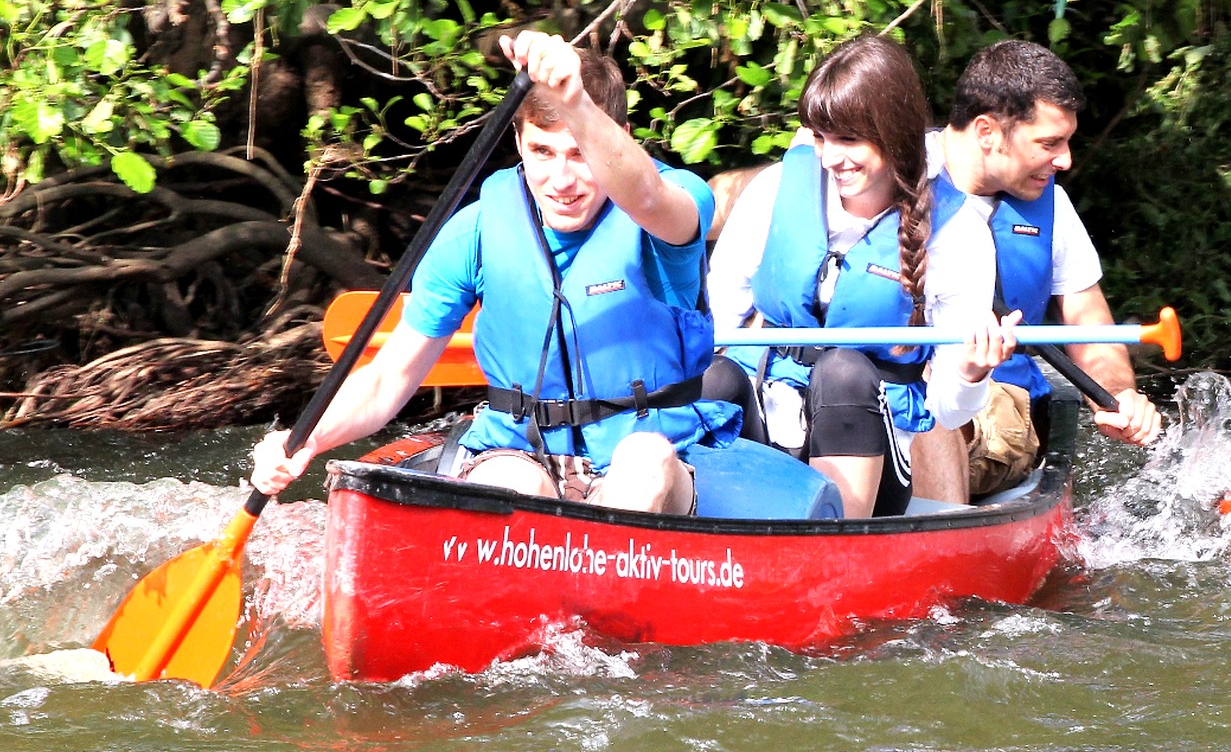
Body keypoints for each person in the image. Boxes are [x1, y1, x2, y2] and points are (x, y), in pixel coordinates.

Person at [250, 32, 751, 514]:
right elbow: (386, 380)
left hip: (653, 462)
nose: (561, 182)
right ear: (518, 141)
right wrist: (306, 439)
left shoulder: (672, 203)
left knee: (644, 457)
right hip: (522, 452)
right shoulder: (474, 233)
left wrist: (577, 103)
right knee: (509, 482)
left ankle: (604, 589)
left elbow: (644, 197)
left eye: (579, 154)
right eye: (542, 152)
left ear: (616, 139)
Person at [706, 34, 1021, 518]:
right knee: (715, 376)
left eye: (849, 140)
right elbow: (718, 322)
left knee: (844, 373)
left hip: (873, 451)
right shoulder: (774, 192)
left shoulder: (958, 234)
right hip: (771, 421)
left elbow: (949, 411)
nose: (832, 158)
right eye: (821, 137)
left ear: (895, 133)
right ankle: (701, 540)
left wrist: (972, 371)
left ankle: (834, 539)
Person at [910, 39, 1164, 503]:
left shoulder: (1054, 208)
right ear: (987, 132)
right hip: (880, 386)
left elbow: (1090, 322)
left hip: (997, 402)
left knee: (924, 408)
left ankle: (933, 545)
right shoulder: (887, 178)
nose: (1066, 160)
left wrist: (1118, 395)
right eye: (1050, 143)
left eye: (1066, 141)